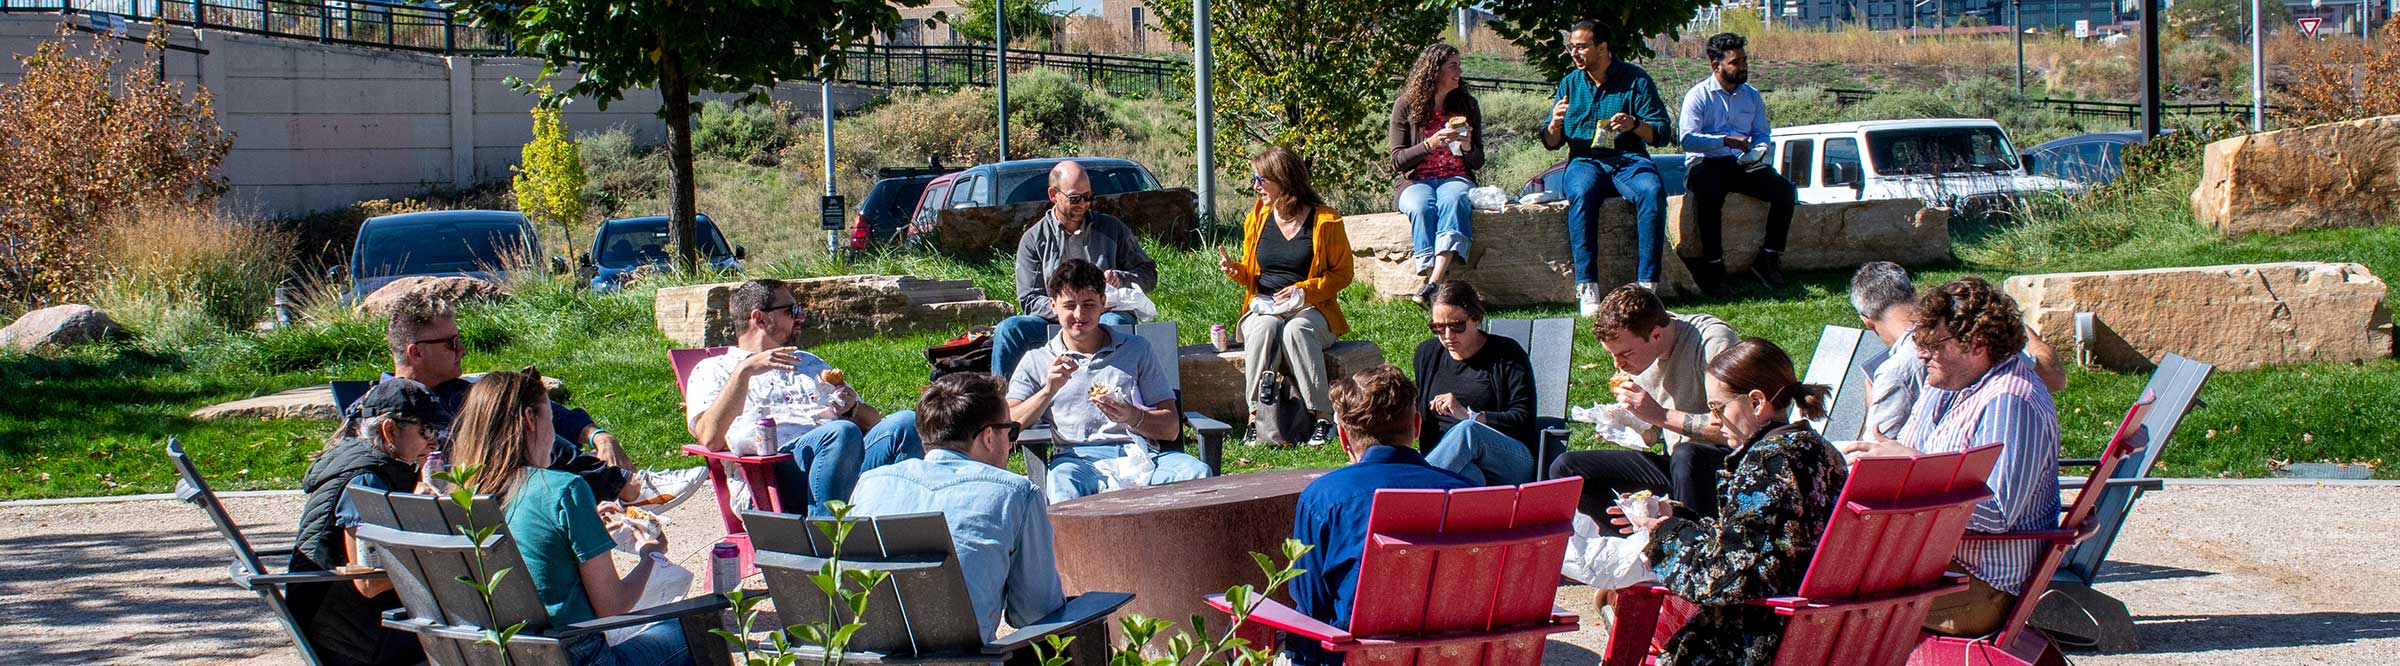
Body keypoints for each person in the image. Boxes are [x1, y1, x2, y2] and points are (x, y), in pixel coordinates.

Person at [1845, 277, 2062, 637]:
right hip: (1934, 565)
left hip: (1982, 586)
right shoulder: (1949, 381)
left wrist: (1914, 467)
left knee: (1826, 604)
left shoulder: (2010, 402)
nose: (1921, 354)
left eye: (1933, 344)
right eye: (1920, 341)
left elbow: (1997, 514)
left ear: (1976, 344)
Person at [1613, 339, 1849, 665]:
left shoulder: (1768, 463)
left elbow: (1720, 578)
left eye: (1718, 408)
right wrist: (1676, 514)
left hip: (1760, 640)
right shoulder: (1820, 451)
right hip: (1820, 631)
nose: (1713, 421)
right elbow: (1760, 543)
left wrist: (1664, 534)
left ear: (1756, 402)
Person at [450, 369, 690, 666]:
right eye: (550, 418)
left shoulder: (461, 493)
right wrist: (649, 557)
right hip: (578, 656)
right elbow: (612, 607)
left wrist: (585, 522)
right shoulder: (565, 490)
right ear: (529, 419)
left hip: (502, 654)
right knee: (696, 629)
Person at [381, 293, 707, 509]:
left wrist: (596, 434)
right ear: (416, 352)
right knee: (520, 427)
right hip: (470, 506)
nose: (462, 349)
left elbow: (542, 408)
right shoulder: (388, 411)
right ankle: (626, 489)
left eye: (460, 339)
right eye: (451, 343)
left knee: (524, 409)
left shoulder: (455, 390)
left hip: (506, 495)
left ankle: (623, 486)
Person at [850, 373, 1064, 641]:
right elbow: (1035, 613)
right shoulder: (1015, 494)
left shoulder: (869, 484)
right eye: (1012, 431)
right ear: (988, 437)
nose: (1012, 444)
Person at [1287, 365, 1474, 666]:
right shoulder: (1468, 493)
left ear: (1344, 438)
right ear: (1416, 425)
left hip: (1355, 657)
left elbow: (1311, 607)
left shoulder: (1324, 498)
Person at [685, 279, 923, 515]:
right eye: (791, 311)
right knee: (841, 433)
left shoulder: (810, 363)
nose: (800, 318)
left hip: (845, 462)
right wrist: (744, 372)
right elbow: (710, 438)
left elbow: (872, 420)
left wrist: (852, 409)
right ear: (759, 318)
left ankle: (900, 533)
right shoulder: (715, 369)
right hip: (773, 481)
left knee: (904, 423)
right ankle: (825, 540)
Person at [1009, 259, 1211, 502]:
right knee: (1062, 486)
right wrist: (1048, 390)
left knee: (1197, 473)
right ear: (1053, 306)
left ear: (1103, 303)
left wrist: (1131, 415)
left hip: (1143, 454)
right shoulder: (1038, 360)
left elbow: (1170, 428)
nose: (1079, 314)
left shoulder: (1136, 349)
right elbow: (1009, 422)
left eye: (1088, 304)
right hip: (1078, 460)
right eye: (1069, 305)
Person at [1546, 285, 1739, 521]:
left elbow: (1739, 429)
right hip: (1675, 465)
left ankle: (1692, 546)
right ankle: (1638, 543)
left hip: (1723, 465)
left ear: (1656, 334)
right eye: (1612, 355)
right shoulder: (1641, 355)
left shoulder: (1711, 341)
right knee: (1567, 468)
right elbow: (1657, 432)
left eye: (1625, 354)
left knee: (1686, 454)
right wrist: (1630, 426)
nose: (1618, 364)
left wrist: (1661, 415)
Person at [287, 379, 444, 666]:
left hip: (353, 627)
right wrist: (443, 567)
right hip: (352, 637)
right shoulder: (365, 480)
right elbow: (367, 582)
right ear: (389, 429)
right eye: (427, 430)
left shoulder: (373, 464)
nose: (434, 442)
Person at [1215, 146, 1355, 446]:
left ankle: (1323, 417)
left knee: (1296, 329)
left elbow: (1343, 274)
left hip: (1311, 308)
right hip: (1264, 306)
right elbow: (1254, 272)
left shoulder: (1325, 221)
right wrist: (1236, 271)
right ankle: (1256, 417)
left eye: (1261, 179)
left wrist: (1304, 290)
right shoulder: (1257, 217)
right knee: (1265, 328)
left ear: (1284, 180)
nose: (1255, 186)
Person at [1848, 262, 2066, 442]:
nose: (1922, 356)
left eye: (1933, 346)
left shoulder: (2005, 397)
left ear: (1867, 320)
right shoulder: (1949, 371)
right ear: (1912, 292)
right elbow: (2054, 378)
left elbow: (1870, 458)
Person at [1542, 20, 1674, 316]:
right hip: (1585, 159)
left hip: (1628, 159)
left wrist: (1634, 124)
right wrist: (1554, 123)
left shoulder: (1636, 80)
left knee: (1651, 191)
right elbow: (1551, 142)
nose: (1574, 53)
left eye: (1581, 47)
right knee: (1582, 194)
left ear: (1602, 48)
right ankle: (1587, 287)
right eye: (1572, 47)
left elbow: (1663, 133)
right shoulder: (1569, 84)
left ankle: (1647, 287)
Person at [993, 161, 1161, 379]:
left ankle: (1117, 394)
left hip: (1103, 316)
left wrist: (1122, 277)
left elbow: (1148, 274)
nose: (1083, 204)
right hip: (1053, 320)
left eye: (1088, 197)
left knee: (1116, 324)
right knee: (1009, 329)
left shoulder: (1112, 228)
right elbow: (1029, 299)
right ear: (1053, 195)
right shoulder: (1034, 239)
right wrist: (1069, 312)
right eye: (1075, 199)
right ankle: (1001, 405)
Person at [1678, 32, 1798, 296]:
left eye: (1744, 60)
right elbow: (1687, 140)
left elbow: (1762, 133)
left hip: (1740, 163)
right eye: (1735, 62)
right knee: (1710, 194)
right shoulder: (1698, 95)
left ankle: (1767, 257)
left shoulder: (1751, 96)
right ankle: (1713, 265)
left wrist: (1760, 149)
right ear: (1715, 65)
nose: (1742, 67)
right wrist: (1725, 141)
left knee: (1784, 191)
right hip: (1705, 162)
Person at [1412, 281, 1538, 485]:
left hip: (1509, 458)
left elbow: (1522, 419)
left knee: (1468, 430)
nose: (1447, 336)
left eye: (1456, 326)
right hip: (1451, 462)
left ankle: (1411, 492)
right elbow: (1417, 412)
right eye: (1437, 327)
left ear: (1476, 318)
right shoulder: (1427, 354)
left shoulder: (1507, 354)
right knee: (1471, 477)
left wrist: (1469, 416)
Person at [1389, 43, 1486, 302]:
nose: (1459, 71)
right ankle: (1435, 286)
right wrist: (1431, 143)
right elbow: (1398, 160)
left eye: (1459, 65)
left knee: (1454, 200)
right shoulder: (1406, 106)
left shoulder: (1467, 105)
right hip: (1415, 180)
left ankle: (1432, 284)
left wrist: (1467, 146)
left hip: (1455, 177)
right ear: (1434, 71)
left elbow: (1478, 161)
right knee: (1421, 207)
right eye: (1453, 66)